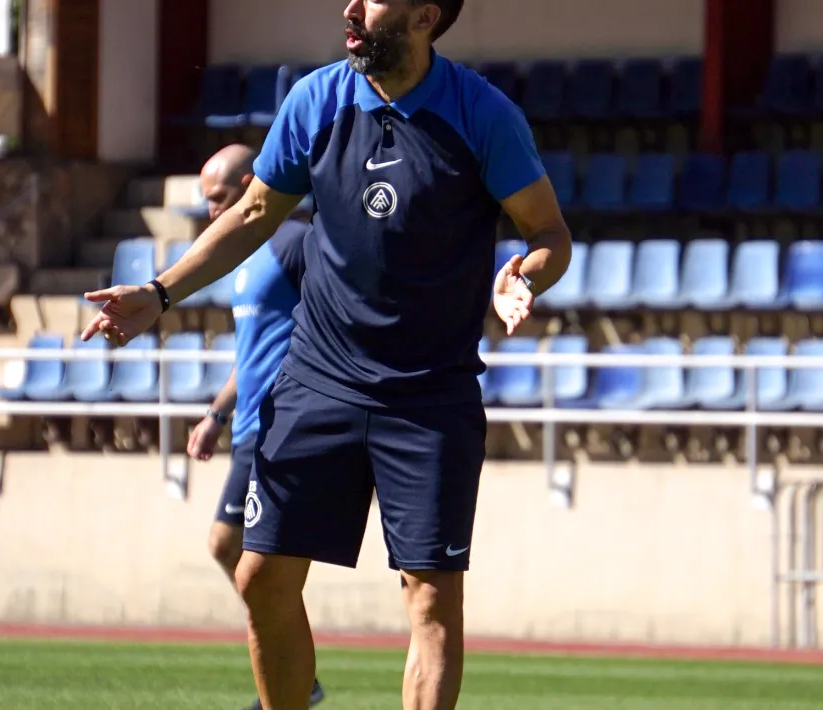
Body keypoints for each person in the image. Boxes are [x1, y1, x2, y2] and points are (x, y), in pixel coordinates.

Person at [80, 1, 572, 707]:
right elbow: (253, 214)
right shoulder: (316, 99)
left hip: (430, 395)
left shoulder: (482, 114)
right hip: (319, 381)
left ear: (425, 15)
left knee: (431, 599)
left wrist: (524, 273)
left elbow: (549, 231)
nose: (350, 7)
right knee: (260, 577)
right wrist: (161, 293)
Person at [184, 146, 325, 710]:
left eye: (218, 198)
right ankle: (295, 676)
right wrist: (216, 415)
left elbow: (323, 325)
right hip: (246, 428)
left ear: (248, 184)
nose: (211, 211)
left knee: (247, 561)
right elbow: (253, 355)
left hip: (280, 426)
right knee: (232, 552)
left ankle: (291, 681)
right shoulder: (244, 262)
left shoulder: (293, 244)